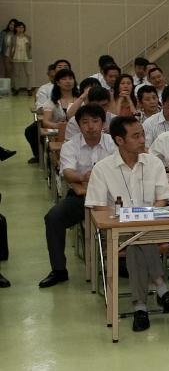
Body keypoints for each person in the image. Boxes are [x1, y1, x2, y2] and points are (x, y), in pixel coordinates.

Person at [85, 117, 169, 330]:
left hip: (151, 225)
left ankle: (141, 307)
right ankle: (161, 288)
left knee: (138, 240)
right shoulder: (102, 168)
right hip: (117, 229)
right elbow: (98, 207)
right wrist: (125, 220)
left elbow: (162, 199)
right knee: (136, 239)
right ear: (119, 140)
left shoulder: (154, 163)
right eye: (136, 136)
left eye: (142, 134)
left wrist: (145, 217)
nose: (142, 140)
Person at [40, 104, 115, 288]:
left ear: (103, 123)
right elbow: (67, 172)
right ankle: (59, 270)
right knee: (53, 218)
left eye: (95, 121)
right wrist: (82, 177)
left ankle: (121, 262)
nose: (90, 126)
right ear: (79, 125)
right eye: (85, 122)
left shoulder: (113, 143)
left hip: (112, 198)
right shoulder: (70, 145)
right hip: (82, 197)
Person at [6, 21, 31, 94]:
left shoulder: (28, 37)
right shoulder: (13, 38)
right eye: (19, 27)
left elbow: (29, 47)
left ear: (24, 28)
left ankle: (29, 89)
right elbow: (11, 48)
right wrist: (10, 57)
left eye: (22, 27)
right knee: (16, 74)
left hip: (26, 57)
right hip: (16, 57)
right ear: (16, 28)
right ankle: (16, 89)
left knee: (28, 73)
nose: (20, 29)